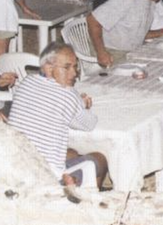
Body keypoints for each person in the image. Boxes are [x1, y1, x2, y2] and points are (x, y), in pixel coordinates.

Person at [8, 42, 108, 189]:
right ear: (49, 69)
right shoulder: (68, 94)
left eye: (75, 67)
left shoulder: (26, 82)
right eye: (67, 67)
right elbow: (89, 124)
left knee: (72, 153)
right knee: (100, 159)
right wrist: (84, 106)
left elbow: (53, 106)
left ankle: (76, 182)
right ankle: (87, 194)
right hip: (47, 176)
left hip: (15, 166)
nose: (74, 73)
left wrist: (76, 104)